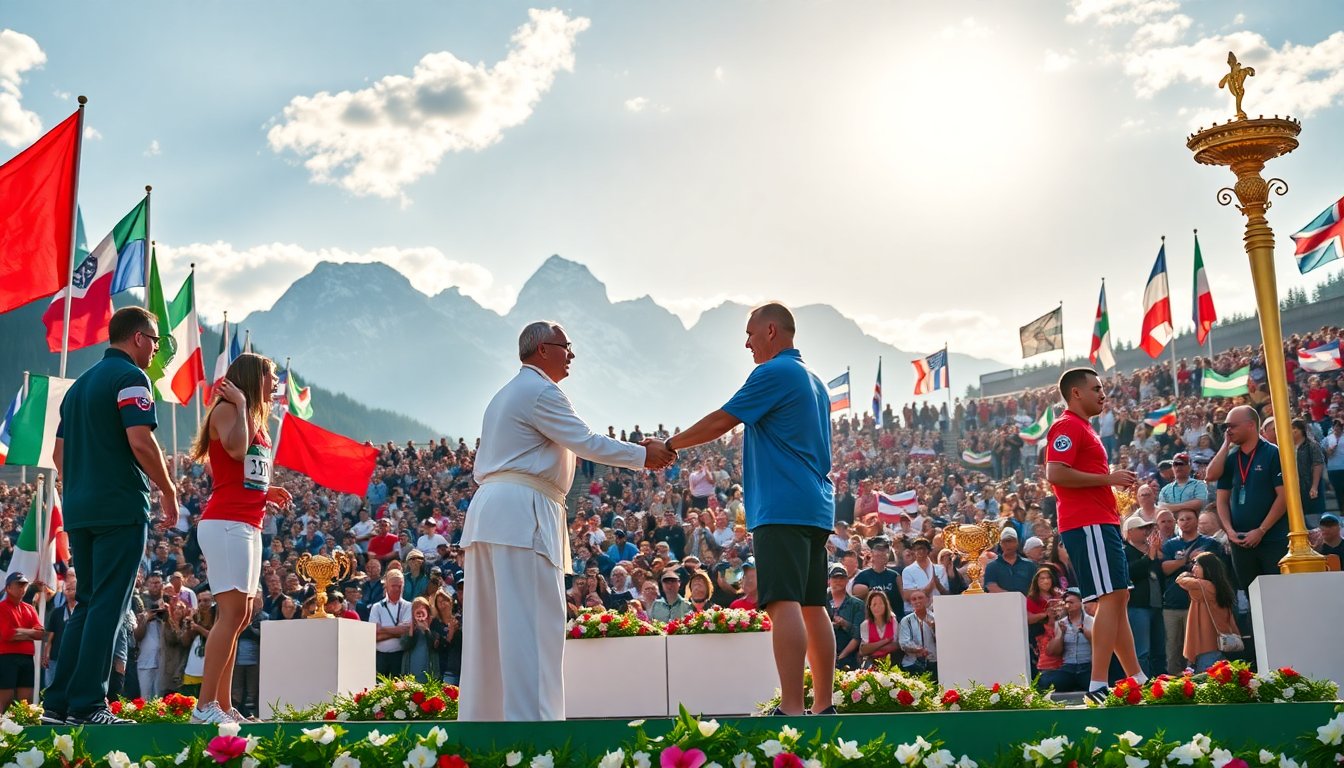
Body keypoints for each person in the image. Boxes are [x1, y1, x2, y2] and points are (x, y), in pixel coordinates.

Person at [459, 322, 672, 722]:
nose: (571, 354)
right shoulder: (541, 391)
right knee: (534, 627)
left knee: (489, 632)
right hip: (523, 512)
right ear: (542, 349)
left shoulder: (503, 395)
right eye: (565, 346)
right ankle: (534, 735)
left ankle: (483, 725)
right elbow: (587, 441)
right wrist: (644, 455)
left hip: (491, 511)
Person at [664, 303, 836, 716]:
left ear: (772, 331)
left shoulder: (774, 372)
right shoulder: (815, 380)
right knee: (814, 605)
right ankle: (824, 705)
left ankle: (793, 708)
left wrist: (670, 446)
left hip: (782, 505)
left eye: (750, 334)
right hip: (814, 505)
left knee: (783, 602)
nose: (747, 343)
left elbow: (723, 419)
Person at [46, 307, 178, 726]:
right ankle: (88, 705)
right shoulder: (131, 379)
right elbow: (140, 441)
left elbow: (58, 454)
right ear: (138, 337)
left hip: (81, 509)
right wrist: (170, 491)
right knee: (109, 606)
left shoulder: (79, 385)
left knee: (86, 604)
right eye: (155, 340)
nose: (157, 349)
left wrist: (82, 488)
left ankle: (59, 704)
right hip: (119, 506)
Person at [188, 353, 293, 724]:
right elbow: (234, 449)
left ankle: (224, 705)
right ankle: (203, 708)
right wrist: (245, 404)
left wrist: (266, 490)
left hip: (248, 521)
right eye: (271, 374)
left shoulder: (253, 417)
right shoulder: (228, 409)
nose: (276, 381)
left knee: (242, 614)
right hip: (226, 523)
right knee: (231, 614)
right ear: (253, 377)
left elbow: (244, 471)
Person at [1045, 368, 1144, 703]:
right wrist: (1109, 479)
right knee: (1111, 598)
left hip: (1100, 521)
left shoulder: (1084, 427)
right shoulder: (1068, 425)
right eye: (1096, 388)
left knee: (1119, 598)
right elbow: (1055, 472)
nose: (1103, 393)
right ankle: (1098, 684)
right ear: (1076, 393)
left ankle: (1137, 677)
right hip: (1088, 523)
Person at [1215, 406, 1288, 588]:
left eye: (1232, 426)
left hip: (1272, 539)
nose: (1228, 431)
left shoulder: (1273, 453)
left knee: (1277, 594)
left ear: (1250, 425)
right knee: (1251, 596)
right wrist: (1229, 531)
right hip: (1240, 542)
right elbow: (1221, 499)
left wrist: (1261, 530)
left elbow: (1284, 497)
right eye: (1225, 427)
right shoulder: (1231, 458)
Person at [1176, 552, 1239, 671]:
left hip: (1206, 645)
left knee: (1207, 681)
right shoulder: (1218, 586)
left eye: (1196, 565)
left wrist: (1186, 574)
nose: (1193, 568)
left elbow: (1180, 580)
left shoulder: (1204, 585)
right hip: (1217, 643)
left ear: (1207, 568)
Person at [1122, 515, 1165, 678]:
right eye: (1141, 528)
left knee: (1159, 649)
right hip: (1137, 606)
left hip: (1156, 604)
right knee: (1142, 650)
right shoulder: (1124, 551)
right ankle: (1143, 686)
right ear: (1130, 532)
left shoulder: (1151, 549)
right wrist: (1150, 556)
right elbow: (1131, 573)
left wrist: (1153, 554)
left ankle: (1162, 685)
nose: (1146, 531)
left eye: (1147, 528)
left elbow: (1159, 575)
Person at [0, 573, 43, 714]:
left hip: (26, 658)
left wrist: (20, 632)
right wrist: (30, 632)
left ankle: (24, 730)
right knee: (5, 699)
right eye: (18, 585)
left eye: (24, 585)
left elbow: (42, 634)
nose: (22, 588)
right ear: (8, 588)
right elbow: (8, 635)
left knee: (26, 702)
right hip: (7, 658)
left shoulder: (29, 608)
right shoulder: (2, 607)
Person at [1039, 589, 1094, 693]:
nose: (1068, 605)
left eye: (1071, 602)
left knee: (1097, 681)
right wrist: (1061, 634)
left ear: (1080, 603)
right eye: (1066, 602)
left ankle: (1079, 684)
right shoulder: (1060, 623)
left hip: (1087, 667)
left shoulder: (1091, 621)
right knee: (1045, 680)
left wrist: (1088, 635)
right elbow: (1054, 652)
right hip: (1068, 668)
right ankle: (1073, 684)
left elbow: (1100, 647)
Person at [370, 569, 414, 676]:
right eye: (394, 585)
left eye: (400, 586)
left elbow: (406, 631)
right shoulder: (377, 607)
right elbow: (373, 634)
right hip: (380, 656)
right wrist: (397, 632)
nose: (397, 589)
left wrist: (382, 629)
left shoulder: (408, 606)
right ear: (387, 586)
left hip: (399, 656)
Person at [824, 564, 864, 671]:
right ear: (829, 580)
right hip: (822, 653)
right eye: (835, 577)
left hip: (848, 658)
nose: (838, 581)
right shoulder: (820, 602)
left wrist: (844, 623)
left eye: (841, 578)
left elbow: (858, 636)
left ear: (847, 580)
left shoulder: (857, 605)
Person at [897, 590, 937, 677]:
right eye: (914, 599)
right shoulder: (906, 621)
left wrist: (934, 627)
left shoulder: (936, 618)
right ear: (911, 603)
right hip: (912, 664)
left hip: (935, 662)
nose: (917, 601)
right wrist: (919, 650)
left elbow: (943, 640)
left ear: (927, 600)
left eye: (920, 598)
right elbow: (903, 643)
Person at [852, 536, 899, 603]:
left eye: (886, 550)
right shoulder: (862, 576)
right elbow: (857, 601)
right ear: (871, 553)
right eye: (879, 549)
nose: (883, 553)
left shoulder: (895, 575)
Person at [858, 590, 898, 667]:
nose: (877, 607)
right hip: (872, 661)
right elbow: (863, 650)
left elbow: (896, 645)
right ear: (869, 607)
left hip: (891, 659)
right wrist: (885, 641)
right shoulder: (865, 625)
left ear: (885, 606)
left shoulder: (893, 621)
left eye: (880, 604)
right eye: (874, 604)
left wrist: (872, 648)